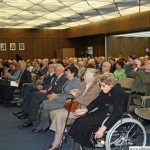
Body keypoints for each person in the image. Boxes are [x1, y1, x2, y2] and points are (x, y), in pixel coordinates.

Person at [42, 68, 101, 150]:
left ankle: (56, 144)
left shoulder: (96, 88)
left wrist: (75, 95)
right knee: (53, 113)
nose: (83, 76)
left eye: (85, 75)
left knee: (58, 115)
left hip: (83, 110)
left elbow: (89, 101)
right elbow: (80, 96)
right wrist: (76, 94)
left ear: (91, 77)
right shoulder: (84, 84)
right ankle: (62, 133)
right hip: (75, 106)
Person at [68, 73, 127, 150]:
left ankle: (88, 146)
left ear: (111, 84)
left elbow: (116, 113)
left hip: (110, 115)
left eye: (103, 86)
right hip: (102, 111)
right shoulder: (106, 89)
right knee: (79, 121)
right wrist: (86, 109)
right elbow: (97, 101)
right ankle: (78, 146)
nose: (101, 88)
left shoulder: (119, 94)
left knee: (85, 125)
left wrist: (102, 129)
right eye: (100, 85)